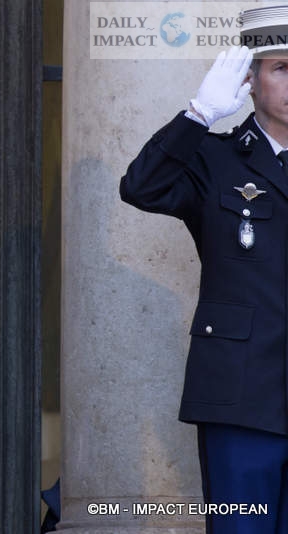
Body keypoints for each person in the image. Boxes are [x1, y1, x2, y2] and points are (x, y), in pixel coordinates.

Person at [120, 7, 288, 532]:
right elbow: (141, 187)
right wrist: (198, 115)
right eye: (282, 68)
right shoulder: (215, 159)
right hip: (241, 396)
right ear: (250, 79)